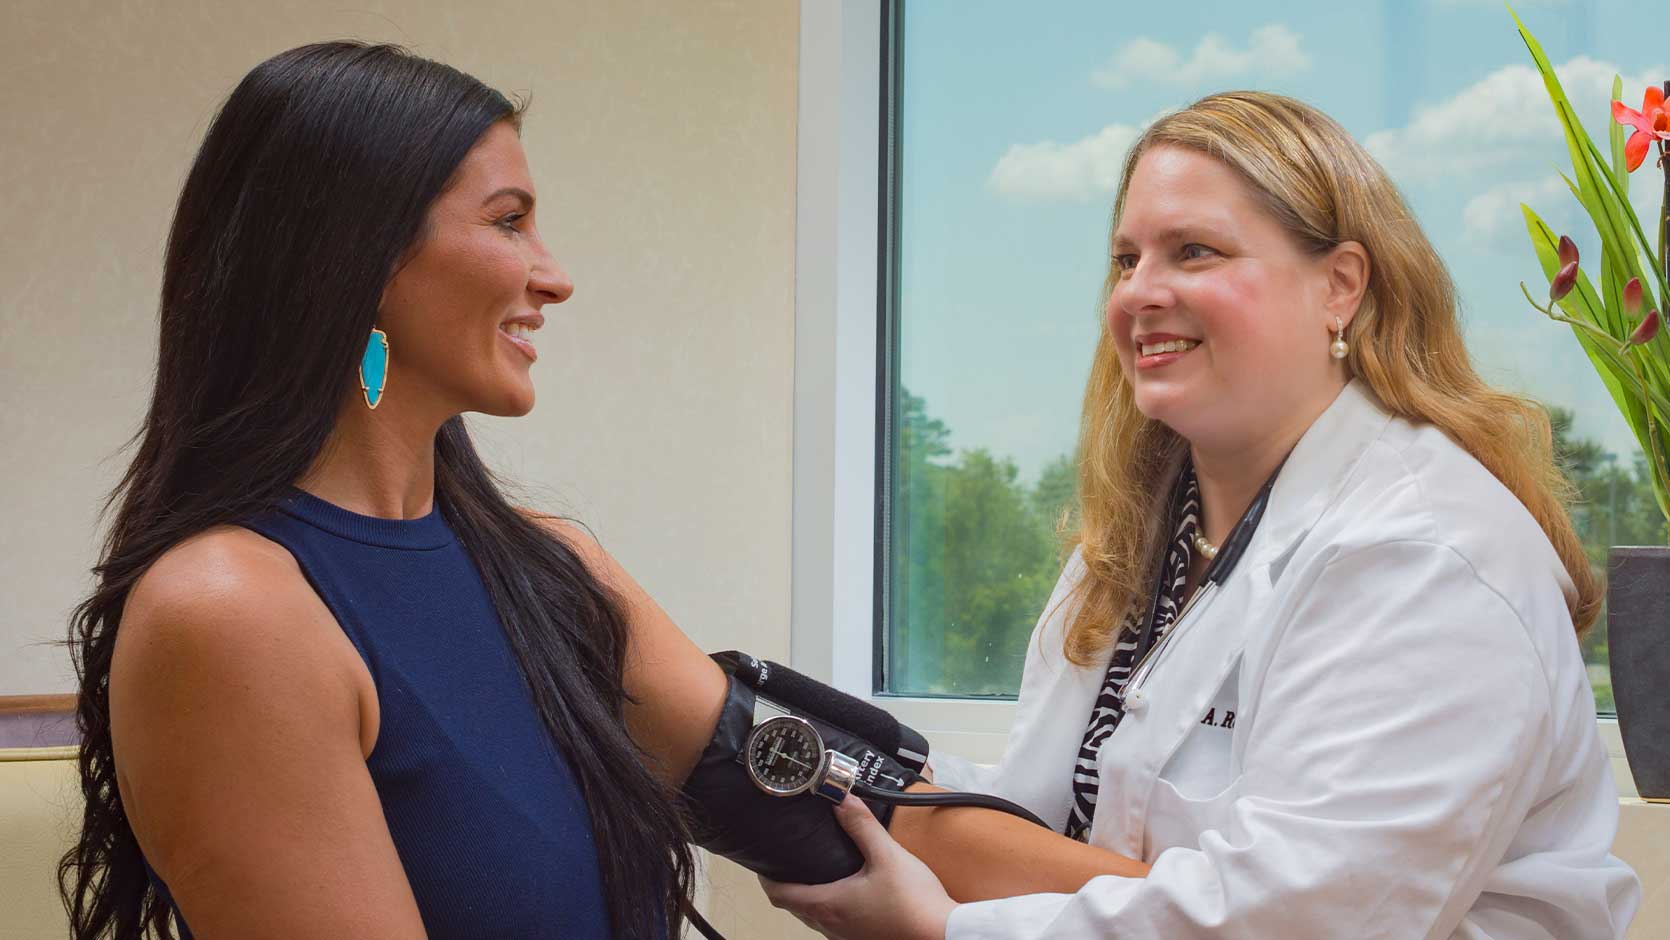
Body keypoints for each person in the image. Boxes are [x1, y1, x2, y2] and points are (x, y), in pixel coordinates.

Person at [763, 91, 1641, 939]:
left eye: (1194, 252)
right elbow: (1057, 810)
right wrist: (858, 789)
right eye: (1126, 259)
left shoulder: (1427, 554)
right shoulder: (1129, 551)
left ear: (1340, 286)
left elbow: (1301, 922)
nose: (1141, 292)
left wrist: (947, 929)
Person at [57, 42, 729, 939]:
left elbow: (819, 798)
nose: (554, 277)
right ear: (362, 255)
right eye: (508, 221)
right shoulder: (230, 611)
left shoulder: (548, 569)